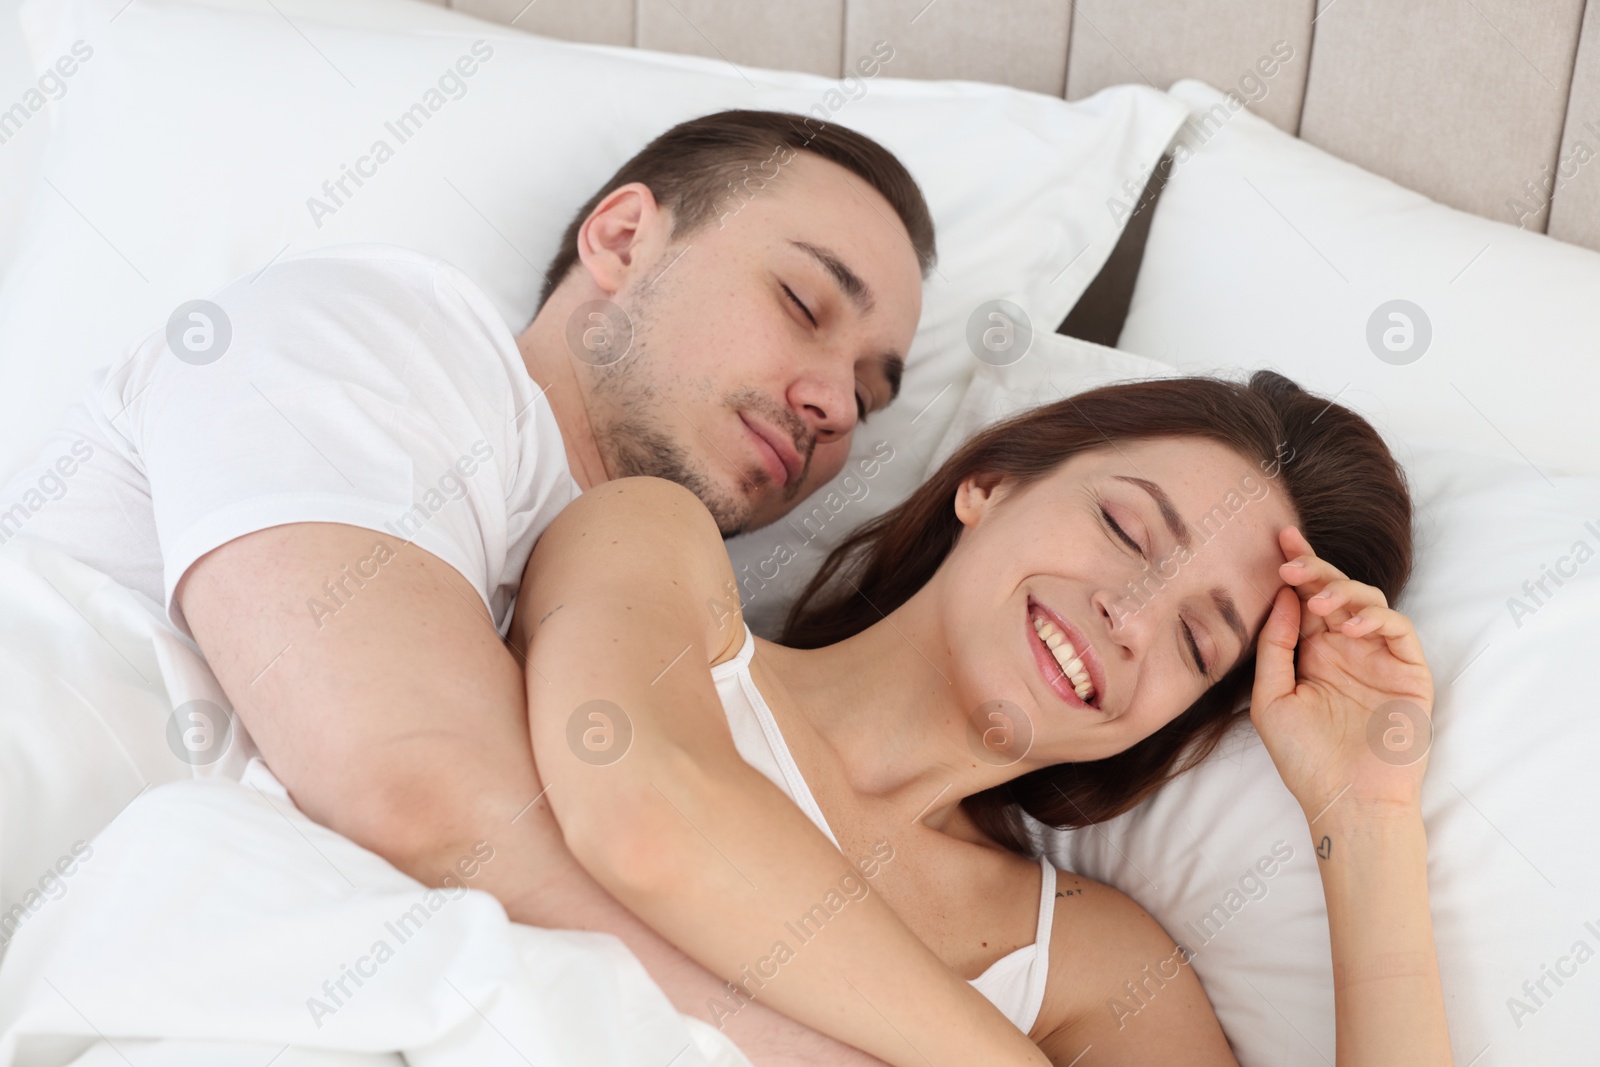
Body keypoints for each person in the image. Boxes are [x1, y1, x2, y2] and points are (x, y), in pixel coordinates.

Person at [0, 110, 933, 1065]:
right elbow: (411, 789)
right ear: (622, 240)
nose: (831, 404)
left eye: (867, 393)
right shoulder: (375, 331)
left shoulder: (668, 655)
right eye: (803, 302)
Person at [512, 372, 1453, 1066]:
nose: (1129, 618)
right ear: (990, 482)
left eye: (1198, 643)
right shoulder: (660, 550)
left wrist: (1365, 813)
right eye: (1127, 530)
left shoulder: (1086, 960)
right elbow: (646, 817)